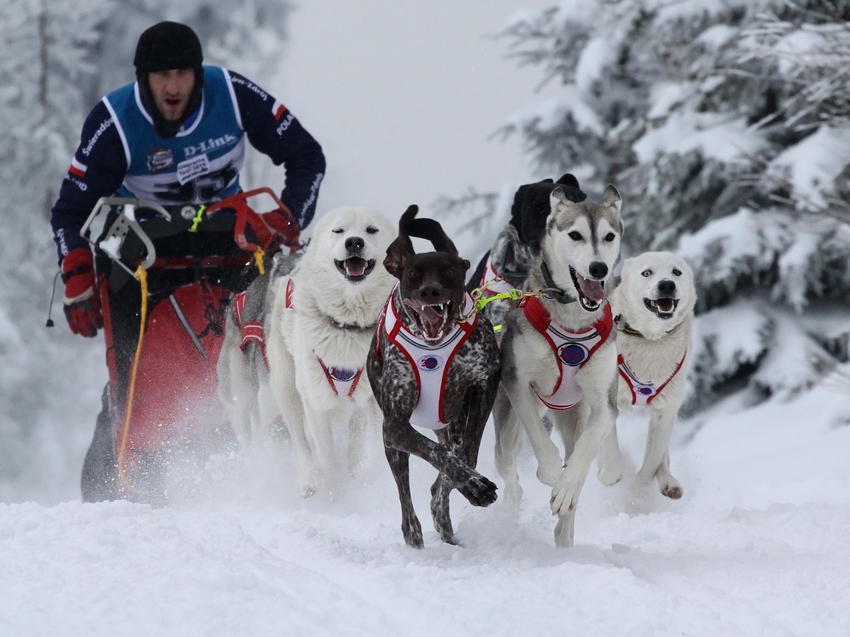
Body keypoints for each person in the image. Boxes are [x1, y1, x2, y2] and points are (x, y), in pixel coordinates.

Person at [50, 21, 326, 503]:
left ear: (198, 74)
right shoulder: (113, 120)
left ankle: (283, 448)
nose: (172, 87)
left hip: (226, 235)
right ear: (143, 79)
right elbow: (70, 210)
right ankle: (116, 475)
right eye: (160, 76)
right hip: (139, 244)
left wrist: (288, 221)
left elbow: (306, 156)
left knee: (266, 340)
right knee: (129, 360)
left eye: (182, 73)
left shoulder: (233, 94)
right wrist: (77, 279)